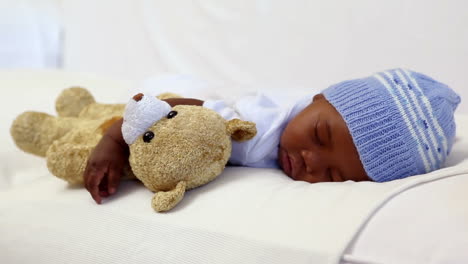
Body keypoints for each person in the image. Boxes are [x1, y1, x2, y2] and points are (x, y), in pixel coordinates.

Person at [84, 69, 461, 204]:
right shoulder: (260, 125)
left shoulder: (318, 135)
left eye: (332, 175)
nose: (310, 159)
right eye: (318, 134)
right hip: (173, 90)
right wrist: (115, 139)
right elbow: (178, 110)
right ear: (318, 98)